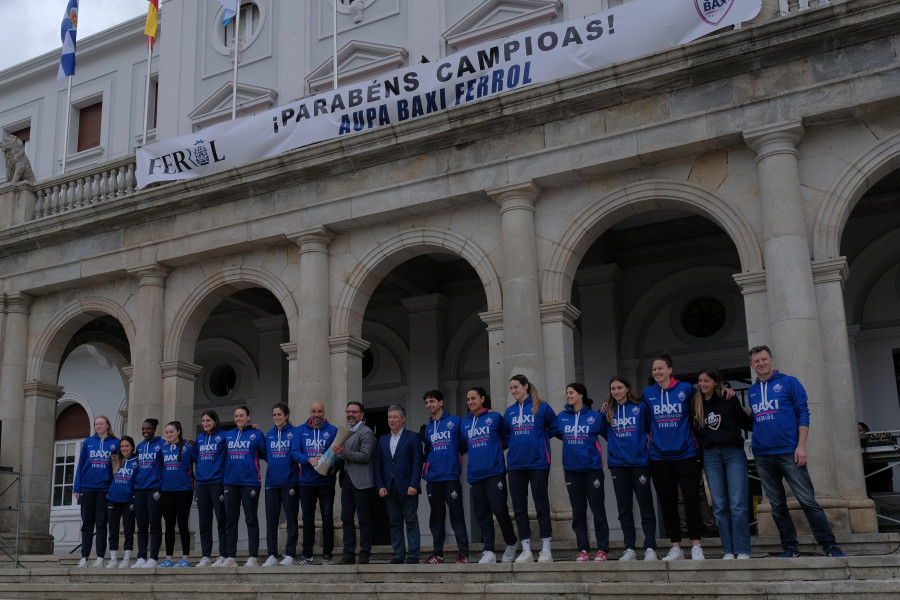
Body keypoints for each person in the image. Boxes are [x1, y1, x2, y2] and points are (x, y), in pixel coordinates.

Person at [747, 345, 845, 557]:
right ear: (753, 365)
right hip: (763, 455)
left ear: (771, 361)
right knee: (777, 506)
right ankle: (790, 549)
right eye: (756, 361)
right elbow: (757, 416)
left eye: (764, 359)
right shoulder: (752, 391)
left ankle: (830, 546)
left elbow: (803, 414)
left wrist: (801, 446)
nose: (760, 364)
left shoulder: (789, 382)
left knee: (808, 501)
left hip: (789, 452)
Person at [643, 351, 733, 561]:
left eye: (660, 368)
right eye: (654, 369)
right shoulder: (648, 393)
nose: (656, 371)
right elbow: (645, 421)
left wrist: (724, 391)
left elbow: (706, 403)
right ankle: (676, 546)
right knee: (667, 502)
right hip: (658, 456)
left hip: (686, 453)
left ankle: (696, 544)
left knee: (692, 499)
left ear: (670, 370)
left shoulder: (686, 389)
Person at [691, 367, 753, 560]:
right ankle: (728, 550)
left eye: (706, 381)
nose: (702, 384)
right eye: (700, 381)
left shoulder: (729, 399)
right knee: (719, 505)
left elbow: (746, 423)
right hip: (711, 456)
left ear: (716, 383)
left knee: (737, 503)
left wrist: (749, 410)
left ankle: (742, 549)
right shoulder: (695, 404)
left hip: (733, 453)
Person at [501, 374, 558, 563]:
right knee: (519, 507)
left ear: (525, 386)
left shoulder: (542, 407)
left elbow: (554, 428)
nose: (513, 391)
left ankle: (546, 549)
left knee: (541, 504)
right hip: (516, 464)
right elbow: (507, 437)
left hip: (538, 462)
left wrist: (538, 443)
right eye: (511, 388)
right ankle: (526, 549)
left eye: (516, 387)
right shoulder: (509, 412)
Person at [599, 376, 657, 561]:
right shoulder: (608, 412)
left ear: (627, 389)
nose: (616, 391)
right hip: (618, 465)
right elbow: (604, 432)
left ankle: (650, 547)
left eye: (619, 387)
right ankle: (630, 548)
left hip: (639, 463)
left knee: (645, 505)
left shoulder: (640, 408)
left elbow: (650, 428)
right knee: (624, 508)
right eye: (613, 388)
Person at [461, 387, 518, 564]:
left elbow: (507, 437)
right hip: (475, 475)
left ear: (482, 399)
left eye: (474, 398)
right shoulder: (464, 423)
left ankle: (511, 542)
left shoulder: (494, 417)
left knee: (499, 509)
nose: (470, 402)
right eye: (468, 399)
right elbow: (463, 445)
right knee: (481, 513)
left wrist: (494, 450)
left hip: (494, 472)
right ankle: (489, 550)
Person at [556, 383, 610, 562]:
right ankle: (583, 550)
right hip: (571, 471)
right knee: (578, 512)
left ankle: (602, 549)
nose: (568, 396)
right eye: (567, 393)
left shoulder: (595, 417)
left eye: (571, 393)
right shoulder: (561, 417)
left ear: (581, 395)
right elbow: (553, 431)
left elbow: (610, 434)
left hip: (593, 470)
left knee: (598, 510)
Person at [420, 389, 470, 564]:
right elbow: (427, 452)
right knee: (436, 518)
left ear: (441, 403)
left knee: (457, 515)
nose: (429, 405)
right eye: (426, 402)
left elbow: (464, 444)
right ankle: (437, 554)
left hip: (450, 477)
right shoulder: (428, 428)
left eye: (432, 401)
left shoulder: (455, 421)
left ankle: (463, 553)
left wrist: (452, 458)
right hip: (433, 479)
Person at [375, 404, 423, 564]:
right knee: (394, 522)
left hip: (408, 486)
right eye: (389, 417)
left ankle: (414, 555)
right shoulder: (382, 440)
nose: (391, 420)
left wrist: (414, 484)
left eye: (395, 417)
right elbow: (378, 465)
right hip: (389, 487)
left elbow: (417, 462)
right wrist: (380, 485)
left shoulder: (412, 437)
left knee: (410, 521)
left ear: (403, 419)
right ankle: (398, 555)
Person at [292, 401, 338, 564]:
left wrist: (329, 462)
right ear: (309, 413)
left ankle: (327, 553)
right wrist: (308, 459)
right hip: (306, 482)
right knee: (307, 518)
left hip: (326, 482)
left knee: (327, 517)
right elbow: (295, 452)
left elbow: (338, 453)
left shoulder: (333, 430)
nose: (316, 414)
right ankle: (307, 554)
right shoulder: (300, 430)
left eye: (319, 411)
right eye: (314, 411)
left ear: (324, 413)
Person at [332, 401, 376, 565]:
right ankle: (348, 554)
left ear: (361, 415)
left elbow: (365, 456)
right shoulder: (345, 432)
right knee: (346, 518)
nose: (350, 414)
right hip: (347, 481)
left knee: (364, 519)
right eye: (348, 411)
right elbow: (341, 455)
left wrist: (343, 453)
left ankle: (364, 554)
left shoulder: (367, 433)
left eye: (354, 412)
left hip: (363, 481)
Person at [222, 405, 267, 567]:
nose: (238, 418)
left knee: (251, 519)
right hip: (230, 483)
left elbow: (266, 454)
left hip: (250, 482)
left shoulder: (257, 434)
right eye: (236, 416)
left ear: (248, 417)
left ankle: (253, 556)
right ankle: (230, 557)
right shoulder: (228, 435)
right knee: (230, 520)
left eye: (241, 416)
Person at [74, 415, 118, 568]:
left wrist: (114, 486)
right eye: (96, 424)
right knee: (87, 524)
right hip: (87, 488)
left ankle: (100, 556)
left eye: (101, 424)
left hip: (104, 489)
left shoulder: (115, 443)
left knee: (101, 523)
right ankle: (84, 557)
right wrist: (76, 487)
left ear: (107, 425)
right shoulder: (88, 442)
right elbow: (80, 465)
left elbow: (117, 467)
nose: (98, 426)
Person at [262, 403, 300, 567]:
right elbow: (264, 454)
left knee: (291, 519)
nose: (276, 418)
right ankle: (271, 554)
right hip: (271, 483)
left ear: (286, 415)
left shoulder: (295, 432)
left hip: (290, 481)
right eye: (274, 415)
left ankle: (290, 554)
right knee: (271, 520)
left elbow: (298, 453)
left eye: (279, 414)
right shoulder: (269, 434)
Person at [159, 421, 197, 568]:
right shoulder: (164, 448)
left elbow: (199, 462)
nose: (168, 434)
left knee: (182, 524)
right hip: (167, 490)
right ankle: (169, 558)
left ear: (179, 431)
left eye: (171, 432)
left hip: (184, 490)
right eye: (167, 432)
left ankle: (185, 558)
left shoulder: (189, 447)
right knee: (168, 525)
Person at [194, 410, 228, 567]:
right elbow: (193, 456)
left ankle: (223, 554)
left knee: (222, 519)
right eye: (203, 420)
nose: (205, 423)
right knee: (204, 521)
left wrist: (251, 428)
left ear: (215, 421)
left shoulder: (224, 436)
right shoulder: (200, 438)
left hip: (217, 481)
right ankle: (206, 555)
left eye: (208, 420)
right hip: (201, 483)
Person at [132, 418, 164, 568]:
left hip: (154, 489)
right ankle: (141, 557)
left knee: (155, 524)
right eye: (143, 429)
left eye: (148, 429)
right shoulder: (139, 446)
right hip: (139, 490)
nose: (145, 431)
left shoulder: (162, 444)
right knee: (141, 525)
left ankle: (153, 557)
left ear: (154, 430)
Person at [106, 435, 137, 568]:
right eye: (122, 446)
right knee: (113, 529)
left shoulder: (137, 460)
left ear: (132, 447)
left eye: (127, 446)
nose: (124, 448)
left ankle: (126, 558)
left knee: (128, 529)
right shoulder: (115, 459)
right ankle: (113, 558)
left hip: (128, 500)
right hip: (113, 499)